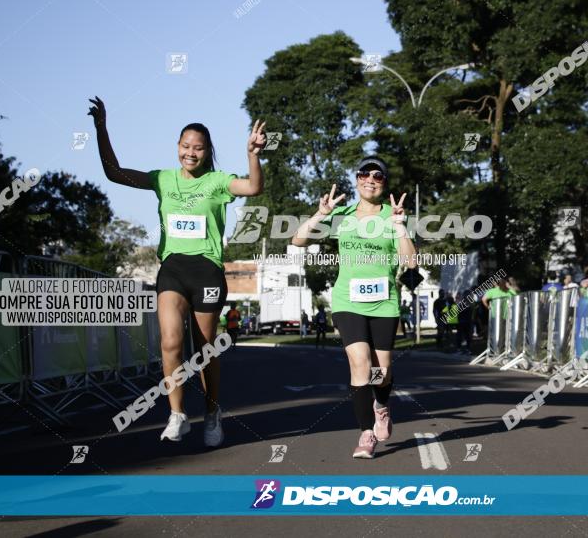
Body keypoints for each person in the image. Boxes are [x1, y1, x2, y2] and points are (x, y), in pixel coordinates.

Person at [88, 96, 265, 447]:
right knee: (170, 340)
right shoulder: (163, 180)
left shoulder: (217, 182)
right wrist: (101, 129)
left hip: (207, 272)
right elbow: (114, 172)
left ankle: (212, 412)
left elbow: (253, 187)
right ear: (178, 147)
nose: (191, 152)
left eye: (198, 148)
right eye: (185, 146)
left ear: (207, 151)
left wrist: (253, 154)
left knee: (204, 351)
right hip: (173, 269)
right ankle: (177, 414)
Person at [292, 155, 417, 459]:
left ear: (384, 182)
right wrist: (321, 214)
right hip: (348, 300)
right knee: (360, 363)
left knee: (381, 372)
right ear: (357, 179)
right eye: (364, 174)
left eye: (377, 175)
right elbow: (298, 239)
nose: (370, 179)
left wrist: (400, 226)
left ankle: (381, 405)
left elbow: (410, 262)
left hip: (384, 302)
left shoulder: (393, 215)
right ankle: (366, 433)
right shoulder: (342, 214)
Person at [456, 289, 474, 353]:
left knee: (464, 336)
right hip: (465, 322)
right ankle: (464, 348)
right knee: (465, 336)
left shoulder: (466, 303)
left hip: (464, 322)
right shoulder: (469, 304)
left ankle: (463, 348)